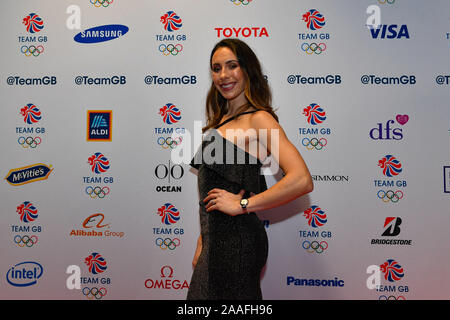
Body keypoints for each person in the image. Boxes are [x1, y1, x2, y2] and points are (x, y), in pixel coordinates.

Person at [187, 38, 313, 300]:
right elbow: (211, 193)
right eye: (216, 68)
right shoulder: (220, 121)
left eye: (232, 66)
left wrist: (243, 203)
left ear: (247, 69)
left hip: (238, 243)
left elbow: (301, 179)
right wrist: (203, 241)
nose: (223, 75)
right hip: (215, 242)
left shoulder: (259, 119)